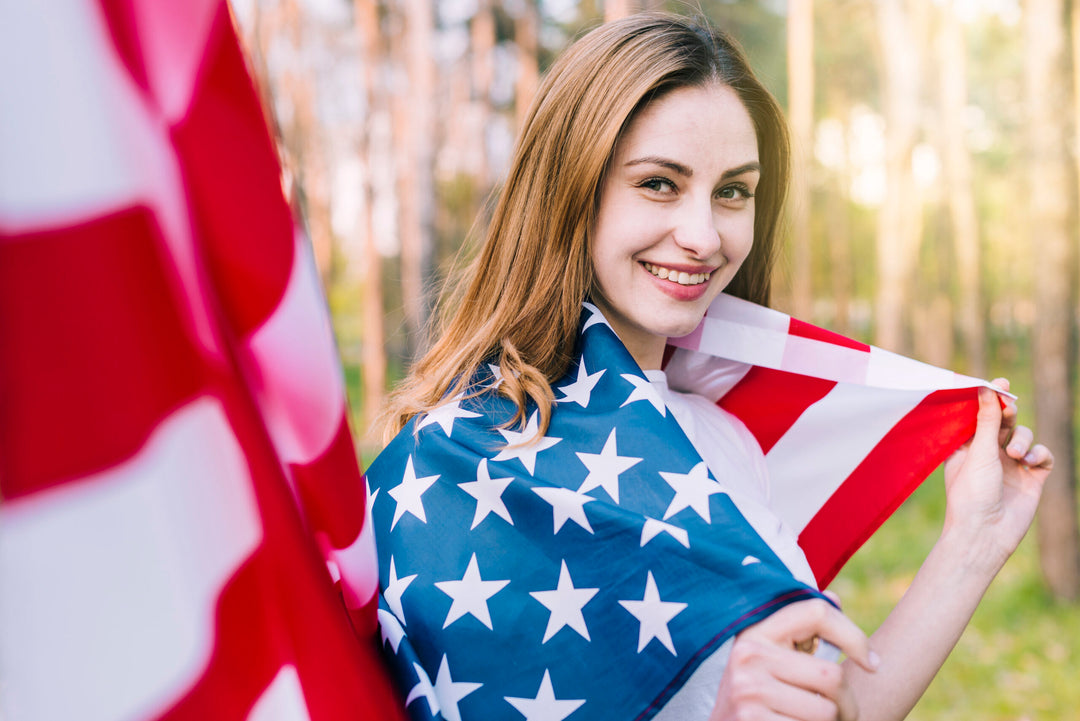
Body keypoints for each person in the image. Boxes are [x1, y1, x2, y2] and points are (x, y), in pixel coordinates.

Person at [366, 12, 1053, 721]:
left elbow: (836, 710)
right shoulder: (451, 466)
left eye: (732, 191)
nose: (703, 236)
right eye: (659, 183)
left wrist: (977, 536)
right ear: (569, 190)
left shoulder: (721, 440)